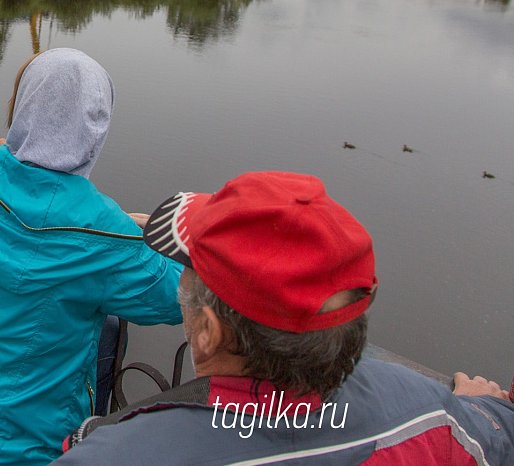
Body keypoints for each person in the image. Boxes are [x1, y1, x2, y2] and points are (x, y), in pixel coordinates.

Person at [57, 171, 514, 465]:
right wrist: (481, 409)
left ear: (209, 333)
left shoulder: (111, 453)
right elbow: (497, 432)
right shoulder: (432, 417)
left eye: (188, 271)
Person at [0, 48, 183, 466]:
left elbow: (3, 165)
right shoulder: (104, 235)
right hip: (24, 444)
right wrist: (155, 233)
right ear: (96, 128)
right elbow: (180, 294)